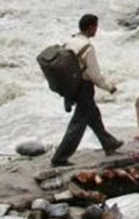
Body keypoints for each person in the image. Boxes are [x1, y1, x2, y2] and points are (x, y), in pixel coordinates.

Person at [51, 14, 123, 167]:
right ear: (90, 27)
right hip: (84, 87)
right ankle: (60, 157)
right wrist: (109, 87)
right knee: (78, 124)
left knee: (93, 115)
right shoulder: (87, 48)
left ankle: (109, 143)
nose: (97, 29)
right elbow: (94, 75)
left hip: (72, 86)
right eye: (96, 26)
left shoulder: (70, 42)